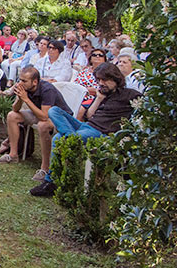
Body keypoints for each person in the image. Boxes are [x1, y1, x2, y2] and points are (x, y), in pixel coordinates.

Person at [31, 63, 143, 197]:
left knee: (57, 138)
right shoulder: (103, 94)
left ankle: (51, 182)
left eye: (105, 80)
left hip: (101, 132)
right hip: (86, 126)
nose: (101, 83)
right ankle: (71, 137)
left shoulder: (129, 94)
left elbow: (145, 107)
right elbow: (89, 115)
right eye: (99, 80)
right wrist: (99, 99)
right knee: (54, 111)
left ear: (116, 79)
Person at [0, 67, 72, 183]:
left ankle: (45, 168)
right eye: (20, 80)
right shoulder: (25, 88)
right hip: (39, 112)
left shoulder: (47, 90)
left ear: (34, 82)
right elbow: (15, 109)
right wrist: (20, 98)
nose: (20, 83)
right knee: (12, 116)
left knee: (42, 125)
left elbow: (45, 116)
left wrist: (26, 100)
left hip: (59, 118)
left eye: (24, 81)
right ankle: (13, 155)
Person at [73, 48, 107, 119]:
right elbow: (75, 85)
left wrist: (86, 90)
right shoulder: (84, 71)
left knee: (80, 109)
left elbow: (102, 88)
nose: (97, 57)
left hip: (95, 98)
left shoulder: (107, 73)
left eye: (100, 55)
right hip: (79, 96)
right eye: (94, 55)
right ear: (90, 59)